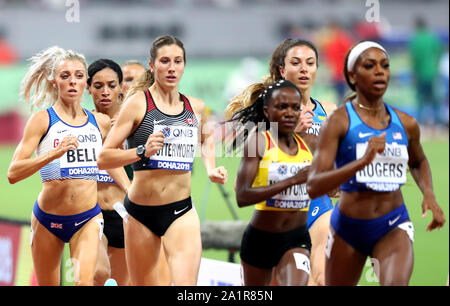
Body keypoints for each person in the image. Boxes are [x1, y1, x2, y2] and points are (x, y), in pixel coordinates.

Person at [306, 41, 446, 285]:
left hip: (392, 224)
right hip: (348, 229)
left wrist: (429, 195)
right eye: (369, 66)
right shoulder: (338, 122)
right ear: (352, 75)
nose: (379, 71)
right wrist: (360, 163)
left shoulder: (406, 123)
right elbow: (315, 185)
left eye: (385, 65)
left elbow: (418, 160)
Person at [97, 35, 228, 285]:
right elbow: (104, 157)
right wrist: (141, 151)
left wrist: (210, 168)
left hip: (181, 211)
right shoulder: (138, 104)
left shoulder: (196, 107)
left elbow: (207, 139)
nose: (171, 67)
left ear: (184, 65)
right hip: (140, 214)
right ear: (152, 65)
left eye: (178, 61)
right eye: (165, 61)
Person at [226, 38, 336, 286]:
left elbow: (334, 160)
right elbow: (245, 184)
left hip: (317, 207)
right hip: (275, 213)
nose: (304, 69)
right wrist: (290, 133)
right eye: (296, 63)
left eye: (310, 63)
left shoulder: (329, 111)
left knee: (321, 279)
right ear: (281, 70)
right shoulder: (269, 116)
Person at [7, 46, 111, 285]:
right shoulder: (42, 120)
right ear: (54, 82)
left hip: (87, 218)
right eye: (65, 76)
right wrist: (53, 154)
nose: (72, 82)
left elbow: (114, 160)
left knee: (85, 282)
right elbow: (13, 173)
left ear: (86, 81)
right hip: (48, 220)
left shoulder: (101, 123)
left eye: (78, 76)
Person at [227, 79, 316, 286]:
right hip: (261, 239)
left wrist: (333, 186)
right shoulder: (258, 142)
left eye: (295, 107)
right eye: (282, 107)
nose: (289, 113)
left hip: (297, 237)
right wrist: (293, 180)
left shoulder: (311, 143)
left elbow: (325, 182)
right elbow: (242, 196)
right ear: (267, 112)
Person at [86, 58, 131, 285]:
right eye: (98, 86)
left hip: (125, 215)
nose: (105, 92)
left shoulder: (135, 123)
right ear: (88, 88)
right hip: (91, 213)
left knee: (123, 282)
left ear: (121, 88)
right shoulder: (81, 122)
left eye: (112, 86)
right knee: (98, 274)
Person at [409, 17, 443, 128]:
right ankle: (438, 124)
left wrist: (414, 74)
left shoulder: (415, 40)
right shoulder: (432, 38)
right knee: (435, 100)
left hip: (421, 74)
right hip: (432, 73)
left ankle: (419, 124)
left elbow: (415, 59)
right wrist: (436, 68)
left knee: (420, 100)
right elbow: (439, 54)